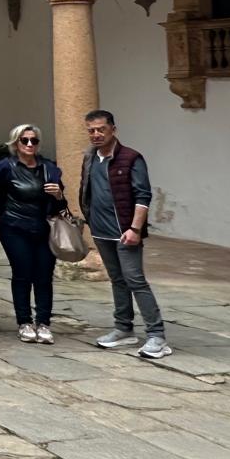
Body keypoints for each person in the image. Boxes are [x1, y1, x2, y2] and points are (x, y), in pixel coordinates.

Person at [82, 110, 168, 359]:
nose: (96, 134)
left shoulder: (131, 158)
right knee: (117, 280)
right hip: (100, 231)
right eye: (91, 130)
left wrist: (135, 229)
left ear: (113, 130)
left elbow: (143, 196)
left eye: (101, 129)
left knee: (135, 280)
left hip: (125, 232)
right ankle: (123, 328)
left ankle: (156, 335)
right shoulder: (89, 157)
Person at [0, 123, 66, 344]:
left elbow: (62, 204)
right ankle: (24, 321)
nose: (30, 144)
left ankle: (43, 322)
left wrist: (59, 195)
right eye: (25, 140)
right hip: (15, 228)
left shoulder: (49, 168)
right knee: (22, 274)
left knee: (44, 276)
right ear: (16, 143)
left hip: (44, 228)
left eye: (34, 140)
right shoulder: (3, 167)